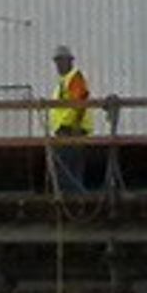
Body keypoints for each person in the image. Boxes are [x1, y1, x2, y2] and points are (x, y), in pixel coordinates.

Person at [47, 46, 103, 196]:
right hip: (66, 130)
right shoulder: (65, 81)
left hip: (72, 130)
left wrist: (75, 126)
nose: (58, 65)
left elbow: (79, 102)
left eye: (61, 61)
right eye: (57, 61)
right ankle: (76, 198)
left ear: (70, 61)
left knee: (66, 166)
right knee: (70, 166)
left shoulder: (74, 78)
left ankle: (76, 197)